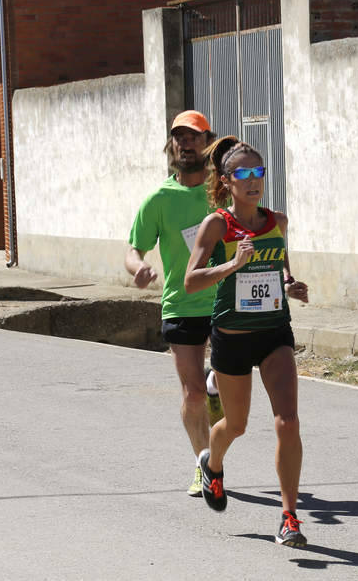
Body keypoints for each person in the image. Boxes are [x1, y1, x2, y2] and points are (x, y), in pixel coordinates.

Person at [184, 136, 310, 547]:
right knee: (235, 425)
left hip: (275, 333)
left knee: (287, 421)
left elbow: (281, 268)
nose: (254, 180)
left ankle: (289, 517)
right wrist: (232, 264)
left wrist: (290, 284)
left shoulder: (278, 221)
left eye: (259, 172)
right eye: (244, 173)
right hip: (232, 337)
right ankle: (212, 464)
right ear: (227, 180)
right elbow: (191, 281)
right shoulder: (217, 225)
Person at [125, 110, 224, 497]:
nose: (186, 143)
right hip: (181, 305)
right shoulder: (159, 199)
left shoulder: (221, 192)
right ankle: (205, 465)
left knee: (226, 391)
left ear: (207, 142)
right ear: (171, 145)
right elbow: (134, 249)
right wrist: (139, 268)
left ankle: (219, 397)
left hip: (225, 303)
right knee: (193, 393)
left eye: (194, 137)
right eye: (179, 137)